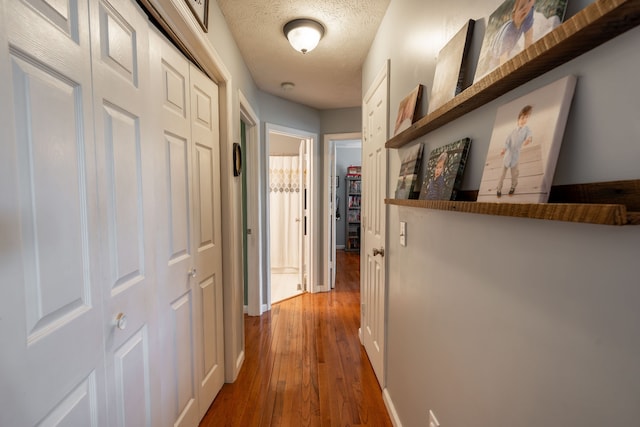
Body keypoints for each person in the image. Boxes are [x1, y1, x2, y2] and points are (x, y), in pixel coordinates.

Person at [497, 105, 533, 197]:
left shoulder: (526, 129)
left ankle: (513, 187)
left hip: (515, 157)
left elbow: (529, 136)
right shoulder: (512, 131)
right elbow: (507, 142)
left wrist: (528, 140)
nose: (524, 120)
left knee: (514, 175)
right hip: (507, 156)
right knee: (501, 175)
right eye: (522, 117)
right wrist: (503, 149)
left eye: (526, 118)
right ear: (518, 119)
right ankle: (498, 189)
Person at [492, 0, 536, 66]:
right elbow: (503, 61)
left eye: (529, 2)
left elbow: (528, 39)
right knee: (494, 62)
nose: (525, 9)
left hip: (510, 43)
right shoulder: (508, 33)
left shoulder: (528, 13)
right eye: (521, 7)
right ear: (513, 16)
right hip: (494, 50)